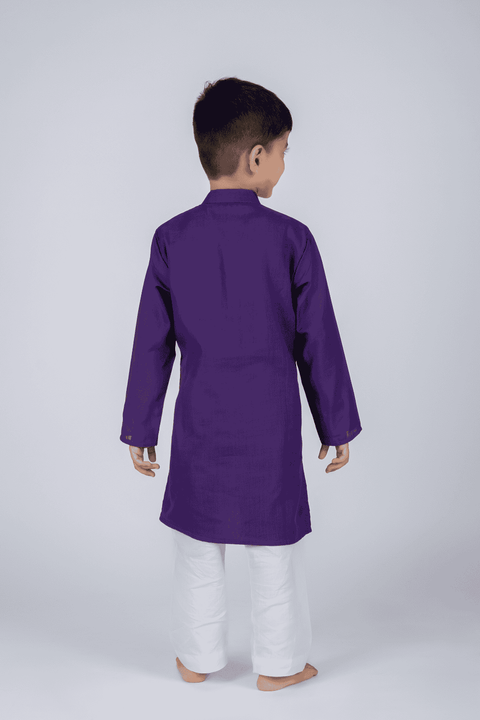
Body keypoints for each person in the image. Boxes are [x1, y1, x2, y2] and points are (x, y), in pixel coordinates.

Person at [120, 76, 362, 691]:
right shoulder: (292, 238)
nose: (283, 163)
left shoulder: (171, 238)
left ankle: (196, 659)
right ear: (257, 156)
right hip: (269, 428)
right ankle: (280, 667)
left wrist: (140, 427)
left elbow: (152, 342)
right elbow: (318, 341)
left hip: (199, 426)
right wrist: (336, 424)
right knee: (274, 546)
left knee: (197, 545)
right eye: (283, 150)